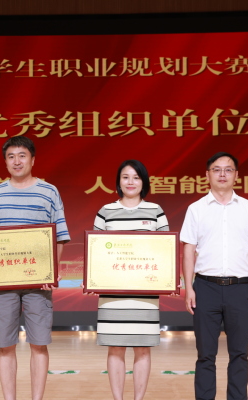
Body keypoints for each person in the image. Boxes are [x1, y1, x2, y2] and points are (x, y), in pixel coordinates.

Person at [0, 136, 70, 400]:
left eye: (22, 155)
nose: (17, 161)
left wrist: (52, 273)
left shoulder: (49, 191)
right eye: (11, 156)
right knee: (5, 345)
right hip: (3, 283)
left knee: (39, 344)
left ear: (33, 160)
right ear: (5, 162)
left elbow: (59, 237)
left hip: (38, 283)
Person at [180, 152, 248, 400]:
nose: (222, 174)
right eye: (216, 169)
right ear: (207, 175)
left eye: (228, 170)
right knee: (205, 354)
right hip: (205, 288)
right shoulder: (196, 209)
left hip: (240, 289)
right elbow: (188, 250)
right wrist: (189, 287)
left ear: (236, 175)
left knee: (240, 353)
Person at [91, 159, 169, 400]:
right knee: (115, 347)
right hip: (113, 295)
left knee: (143, 348)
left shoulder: (156, 211)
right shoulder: (106, 212)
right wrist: (93, 278)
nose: (131, 182)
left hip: (144, 295)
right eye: (125, 177)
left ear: (144, 182)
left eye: (136, 177)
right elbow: (96, 252)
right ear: (118, 182)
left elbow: (165, 251)